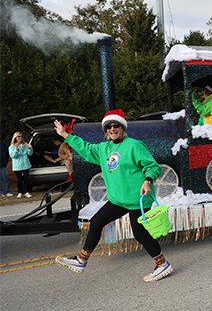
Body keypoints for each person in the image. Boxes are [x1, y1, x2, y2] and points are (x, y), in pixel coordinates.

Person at [53, 109, 173, 283]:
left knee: (140, 234)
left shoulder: (134, 145)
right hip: (118, 199)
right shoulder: (104, 148)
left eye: (115, 125)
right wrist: (65, 135)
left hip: (137, 199)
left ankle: (162, 264)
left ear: (122, 127)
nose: (112, 129)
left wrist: (147, 180)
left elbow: (153, 167)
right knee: (95, 222)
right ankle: (81, 260)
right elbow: (85, 148)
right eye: (108, 126)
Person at [9, 132, 33, 198]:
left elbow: (30, 154)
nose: (21, 138)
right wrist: (16, 150)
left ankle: (27, 192)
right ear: (15, 138)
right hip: (18, 166)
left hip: (26, 165)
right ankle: (19, 192)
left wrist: (30, 148)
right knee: (19, 180)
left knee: (26, 179)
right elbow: (13, 156)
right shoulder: (11, 147)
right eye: (19, 136)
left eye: (22, 136)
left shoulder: (25, 145)